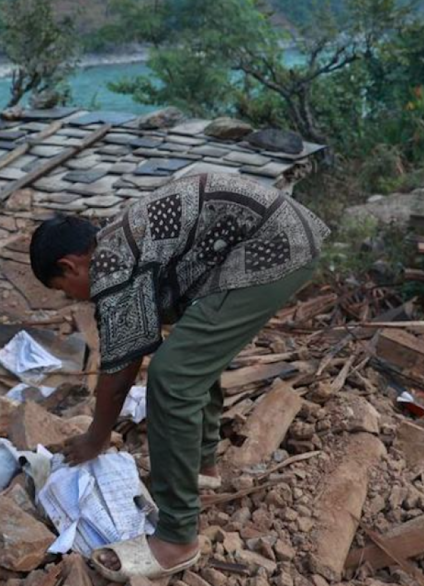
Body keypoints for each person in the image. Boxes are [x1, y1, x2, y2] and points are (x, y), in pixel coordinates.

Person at [29, 172, 329, 581]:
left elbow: (120, 369)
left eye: (65, 288)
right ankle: (201, 467)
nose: (72, 297)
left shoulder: (112, 263)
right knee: (188, 357)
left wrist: (96, 438)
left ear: (71, 264)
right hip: (277, 233)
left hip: (275, 245)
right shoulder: (118, 238)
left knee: (172, 377)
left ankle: (177, 538)